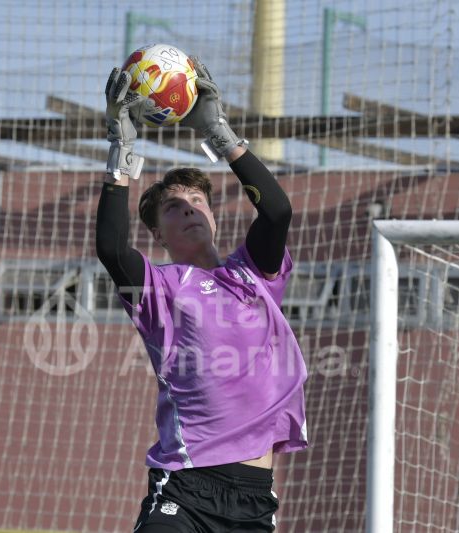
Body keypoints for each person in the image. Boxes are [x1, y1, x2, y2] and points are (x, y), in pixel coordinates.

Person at [96, 58, 308, 532]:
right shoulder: (159, 288)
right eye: (175, 207)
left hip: (253, 499)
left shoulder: (255, 274)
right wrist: (121, 146)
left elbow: (276, 211)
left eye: (197, 202)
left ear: (213, 216)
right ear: (157, 231)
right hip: (184, 486)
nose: (190, 209)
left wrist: (218, 131)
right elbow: (110, 248)